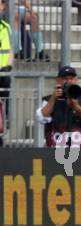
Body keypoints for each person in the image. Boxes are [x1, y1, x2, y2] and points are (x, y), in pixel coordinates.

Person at [35, 66, 81, 147]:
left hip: (80, 150)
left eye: (71, 78)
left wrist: (76, 107)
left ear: (76, 80)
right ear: (58, 80)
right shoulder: (49, 99)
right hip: (56, 149)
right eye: (65, 79)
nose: (68, 81)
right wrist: (53, 97)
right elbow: (41, 117)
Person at [0, 0, 14, 147]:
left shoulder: (6, 27)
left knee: (4, 108)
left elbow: (11, 51)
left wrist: (8, 67)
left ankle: (3, 132)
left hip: (3, 75)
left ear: (3, 7)